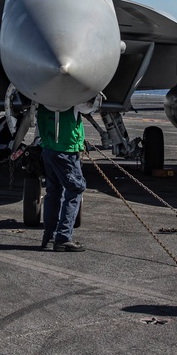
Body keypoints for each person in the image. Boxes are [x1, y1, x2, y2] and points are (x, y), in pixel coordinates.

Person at [37, 97, 100, 252]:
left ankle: (49, 236)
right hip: (66, 151)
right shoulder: (73, 99)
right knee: (75, 190)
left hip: (48, 149)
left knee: (53, 191)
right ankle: (63, 238)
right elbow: (90, 107)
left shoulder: (41, 97)